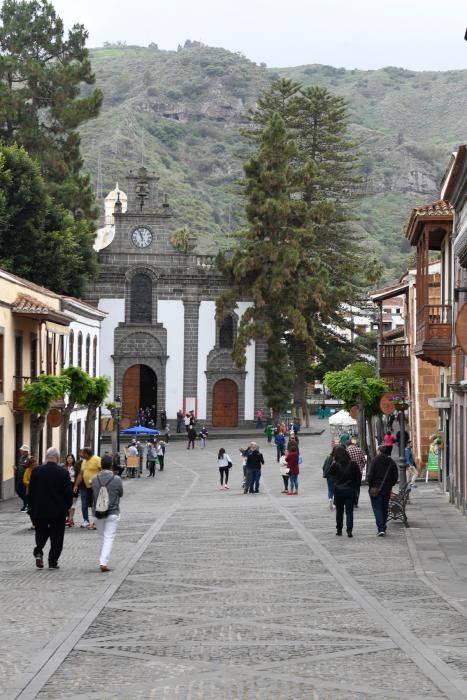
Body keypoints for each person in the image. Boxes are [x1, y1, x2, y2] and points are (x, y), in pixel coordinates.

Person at [28, 447, 73, 569]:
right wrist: (67, 506)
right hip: (57, 511)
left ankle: (38, 551)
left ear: (46, 457)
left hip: (40, 509)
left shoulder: (36, 471)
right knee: (57, 537)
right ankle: (52, 561)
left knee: (41, 532)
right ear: (58, 458)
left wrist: (31, 510)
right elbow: (68, 493)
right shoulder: (63, 473)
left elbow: (30, 492)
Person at [91, 454, 123, 572]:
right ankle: (103, 562)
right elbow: (120, 493)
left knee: (102, 537)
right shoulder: (117, 479)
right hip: (112, 511)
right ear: (111, 465)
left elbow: (93, 495)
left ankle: (102, 560)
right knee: (109, 537)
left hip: (97, 512)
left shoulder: (94, 479)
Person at [327, 446, 361, 537]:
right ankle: (349, 530)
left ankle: (339, 529)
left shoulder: (335, 464)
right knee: (349, 511)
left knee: (339, 510)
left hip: (338, 490)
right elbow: (358, 477)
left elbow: (329, 474)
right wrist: (355, 487)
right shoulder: (353, 464)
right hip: (350, 490)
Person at [367, 444, 399, 536]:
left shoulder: (375, 461)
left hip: (375, 488)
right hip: (386, 488)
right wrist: (390, 485)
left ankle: (381, 528)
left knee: (377, 508)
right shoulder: (391, 462)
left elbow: (370, 475)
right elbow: (395, 476)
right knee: (384, 508)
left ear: (379, 451)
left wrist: (371, 485)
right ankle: (383, 527)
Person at [73, 447, 101, 529]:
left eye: (81, 453)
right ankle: (86, 520)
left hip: (95, 486)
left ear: (86, 453)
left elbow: (102, 470)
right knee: (84, 503)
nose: (80, 454)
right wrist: (76, 485)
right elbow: (81, 474)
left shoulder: (97, 459)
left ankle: (95, 521)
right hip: (84, 486)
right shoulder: (84, 461)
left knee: (94, 504)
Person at [346, 440, 366, 507]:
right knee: (357, 487)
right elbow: (364, 460)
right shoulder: (359, 449)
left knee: (350, 487)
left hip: (349, 472)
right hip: (359, 472)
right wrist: (361, 467)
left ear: (347, 445)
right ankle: (356, 502)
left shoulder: (347, 451)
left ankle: (351, 501)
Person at [64, 454, 78, 527]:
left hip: (73, 485)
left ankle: (71, 520)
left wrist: (76, 486)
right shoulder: (64, 467)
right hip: (65, 487)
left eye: (71, 458)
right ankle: (66, 519)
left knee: (73, 504)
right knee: (66, 503)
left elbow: (78, 477)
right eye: (68, 458)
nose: (69, 459)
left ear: (73, 459)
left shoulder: (75, 468)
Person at [15, 444, 30, 512]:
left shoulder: (29, 458)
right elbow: (20, 467)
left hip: (25, 478)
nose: (21, 452)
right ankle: (26, 503)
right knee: (18, 490)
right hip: (19, 477)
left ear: (26, 451)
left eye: (23, 451)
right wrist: (16, 468)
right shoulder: (21, 458)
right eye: (21, 451)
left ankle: (25, 505)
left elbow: (28, 467)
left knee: (23, 491)